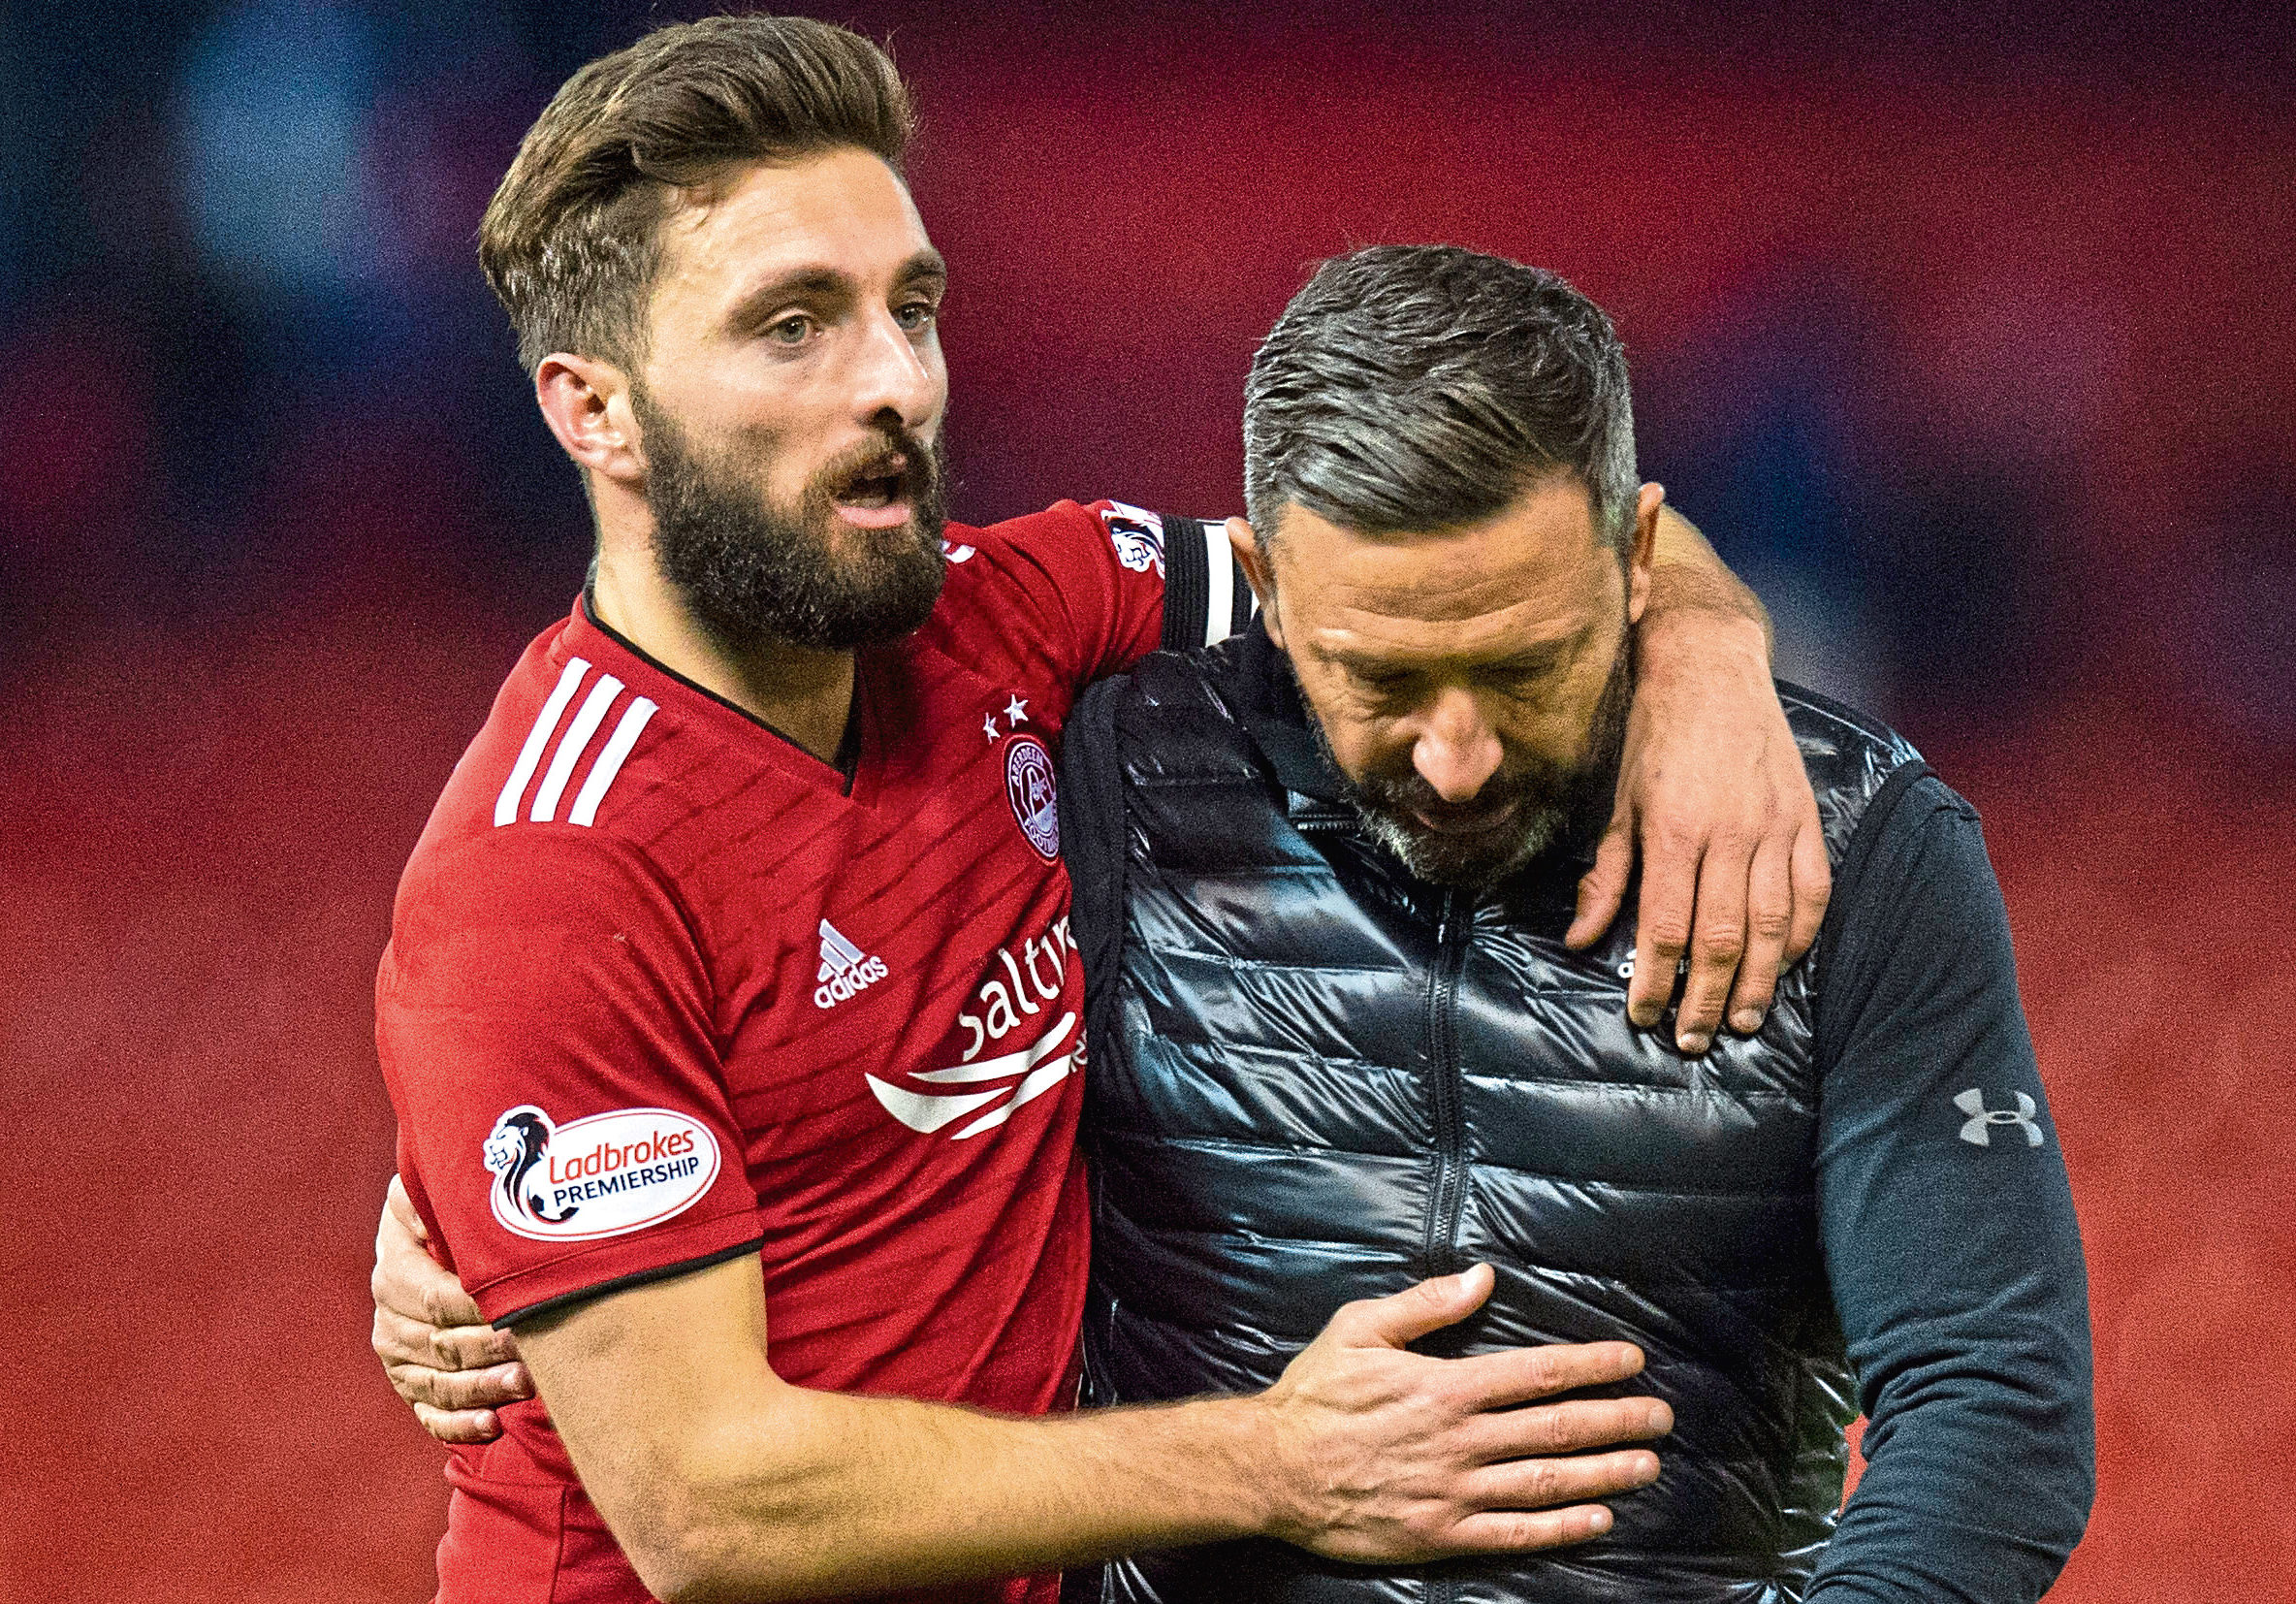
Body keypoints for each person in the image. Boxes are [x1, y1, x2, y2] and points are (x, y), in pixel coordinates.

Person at [369, 16, 1829, 1604]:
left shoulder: (1013, 612)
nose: (894, 382)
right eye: (792, 326)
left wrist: (1702, 642)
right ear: (596, 412)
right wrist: (1279, 1459)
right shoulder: (550, 874)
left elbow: (1432, 558)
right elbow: (711, 1509)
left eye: (907, 309)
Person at [1051, 246, 2094, 1602]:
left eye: (1526, 664)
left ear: (1640, 557)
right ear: (1260, 577)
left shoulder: (1861, 848)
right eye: (1380, 676)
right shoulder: (1098, 779)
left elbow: (1991, 1402)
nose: (1458, 753)